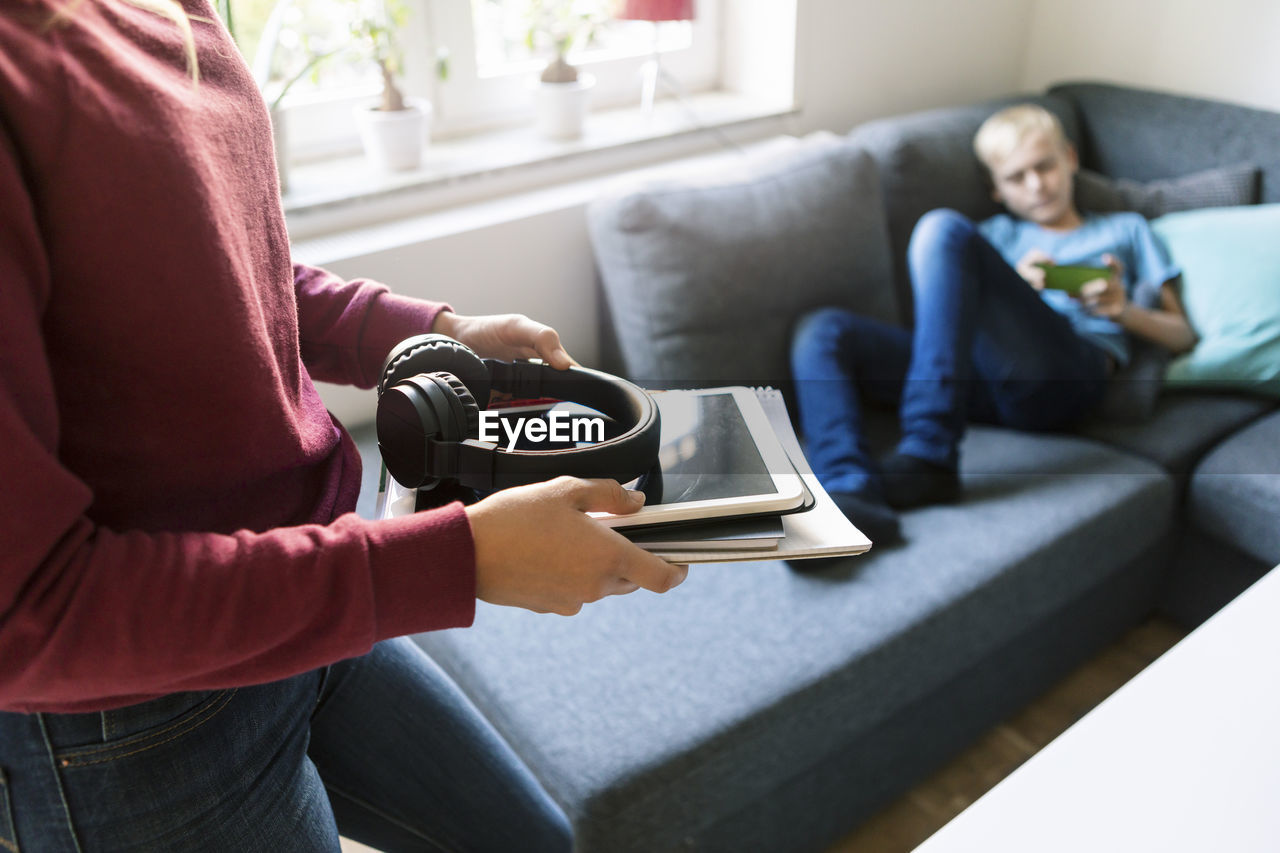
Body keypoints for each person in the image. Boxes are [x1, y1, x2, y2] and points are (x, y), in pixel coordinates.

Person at [0, 0, 686, 850]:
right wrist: (456, 558)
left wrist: (432, 333)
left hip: (309, 597)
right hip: (136, 724)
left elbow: (224, 265)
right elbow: (26, 613)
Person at [790, 104, 1197, 544]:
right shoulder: (991, 238)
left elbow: (1182, 335)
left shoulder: (1125, 229)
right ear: (996, 189)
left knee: (941, 228)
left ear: (1071, 159)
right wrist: (1012, 285)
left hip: (1069, 375)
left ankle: (929, 452)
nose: (1037, 185)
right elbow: (941, 328)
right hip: (981, 381)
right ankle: (849, 490)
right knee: (825, 329)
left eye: (1045, 167)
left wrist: (1123, 310)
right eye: (1017, 177)